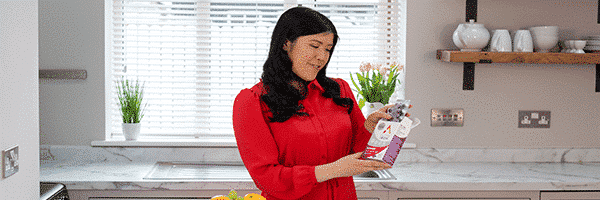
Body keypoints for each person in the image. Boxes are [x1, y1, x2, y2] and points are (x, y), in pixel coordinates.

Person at [232, 6, 395, 199]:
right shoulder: (252, 101)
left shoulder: (339, 90)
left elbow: (359, 154)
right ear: (286, 43)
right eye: (314, 46)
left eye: (328, 49)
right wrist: (332, 170)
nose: (322, 57)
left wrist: (370, 127)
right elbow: (266, 178)